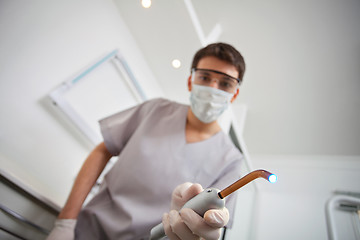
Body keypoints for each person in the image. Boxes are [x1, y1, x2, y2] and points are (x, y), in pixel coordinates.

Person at [47, 42, 246, 240]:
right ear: (190, 81)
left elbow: (212, 222)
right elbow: (102, 150)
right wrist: (66, 222)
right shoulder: (155, 110)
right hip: (87, 229)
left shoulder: (231, 160)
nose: (213, 88)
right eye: (205, 77)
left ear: (234, 93)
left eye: (225, 83)